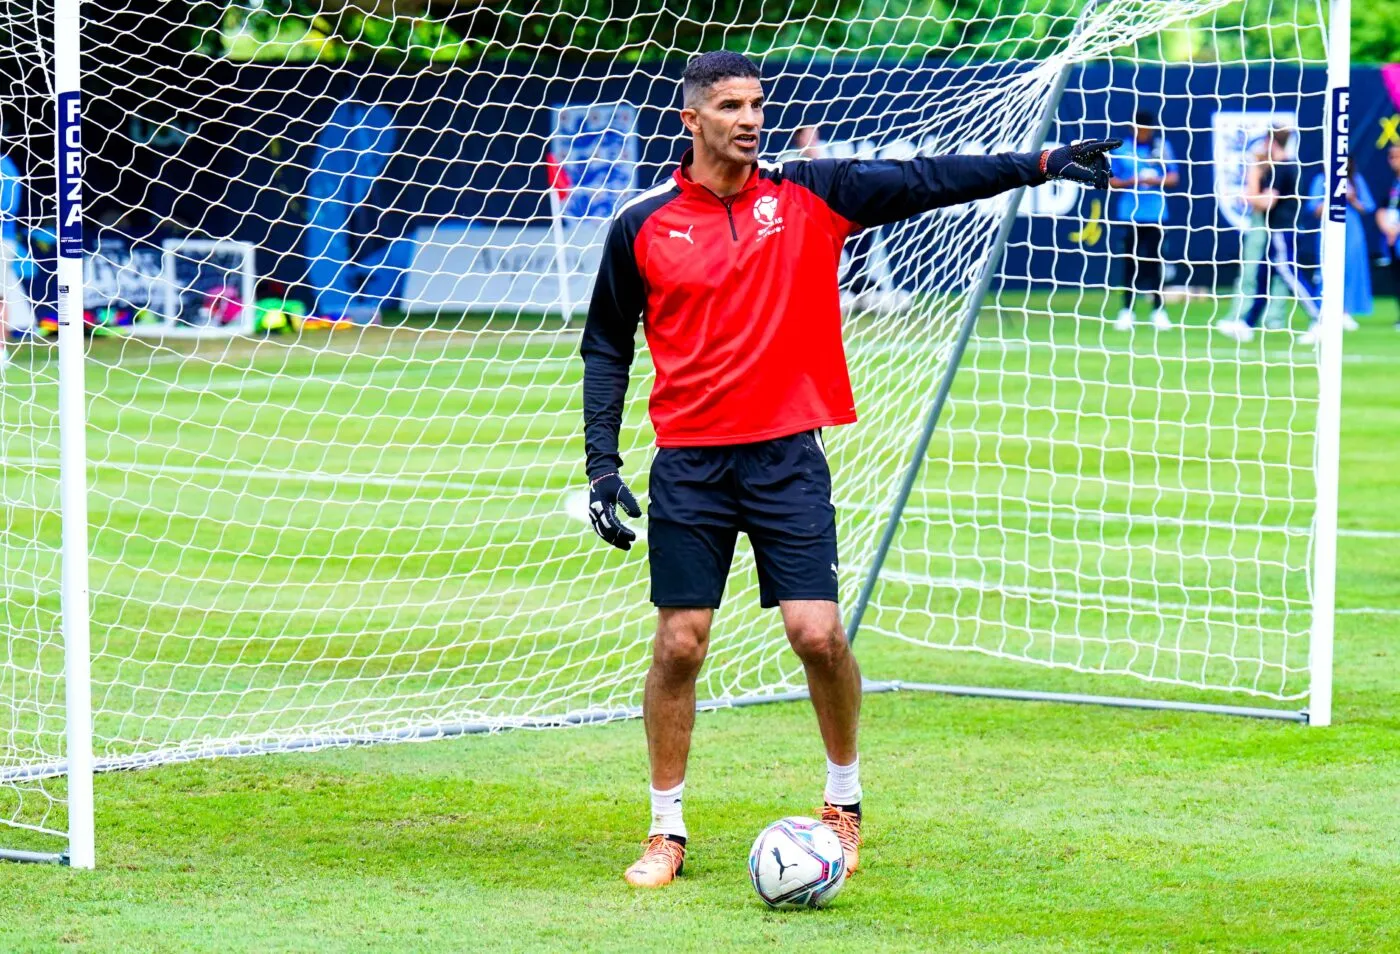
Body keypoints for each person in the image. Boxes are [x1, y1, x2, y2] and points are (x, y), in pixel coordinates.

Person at [580, 50, 1118, 889]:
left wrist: (1039, 162)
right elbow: (607, 344)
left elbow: (926, 178)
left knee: (818, 634)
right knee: (680, 645)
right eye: (730, 106)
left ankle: (843, 803)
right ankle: (665, 831)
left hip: (788, 456)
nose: (750, 119)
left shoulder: (810, 193)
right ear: (692, 120)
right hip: (688, 464)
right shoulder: (642, 222)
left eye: (757, 103)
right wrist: (602, 466)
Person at [786, 125, 908, 314]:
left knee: (895, 301)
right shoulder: (787, 166)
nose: (813, 141)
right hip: (811, 251)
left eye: (815, 135)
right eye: (808, 136)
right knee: (841, 303)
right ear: (798, 139)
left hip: (840, 256)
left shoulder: (825, 168)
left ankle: (859, 287)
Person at [1216, 126, 1321, 343]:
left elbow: (1268, 202)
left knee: (1288, 272)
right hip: (1282, 228)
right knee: (1264, 275)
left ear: (1270, 141)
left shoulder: (1281, 169)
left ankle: (1319, 317)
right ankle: (1246, 323)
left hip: (1282, 230)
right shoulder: (1289, 167)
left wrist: (1247, 196)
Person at [1108, 110, 1178, 331]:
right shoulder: (1121, 149)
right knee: (1130, 263)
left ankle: (1158, 310)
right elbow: (1112, 181)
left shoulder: (1161, 148)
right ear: (1133, 129)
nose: (1144, 132)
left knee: (1156, 263)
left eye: (1148, 129)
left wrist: (1155, 179)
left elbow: (1175, 177)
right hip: (1130, 214)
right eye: (1140, 128)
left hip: (1156, 213)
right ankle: (1127, 310)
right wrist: (1133, 180)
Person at [1300, 159, 1371, 345]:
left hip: (1352, 229)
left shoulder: (1355, 179)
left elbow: (1367, 207)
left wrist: (1352, 198)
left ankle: (1346, 312)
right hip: (1328, 229)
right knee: (1327, 271)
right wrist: (1335, 196)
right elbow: (1314, 209)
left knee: (1351, 269)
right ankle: (1325, 312)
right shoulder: (1320, 180)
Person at [1375, 144, 1400, 332]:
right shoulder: (1390, 182)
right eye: (1391, 157)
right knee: (1396, 276)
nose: (1393, 161)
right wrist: (1387, 228)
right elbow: (1381, 208)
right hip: (1392, 238)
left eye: (1397, 156)